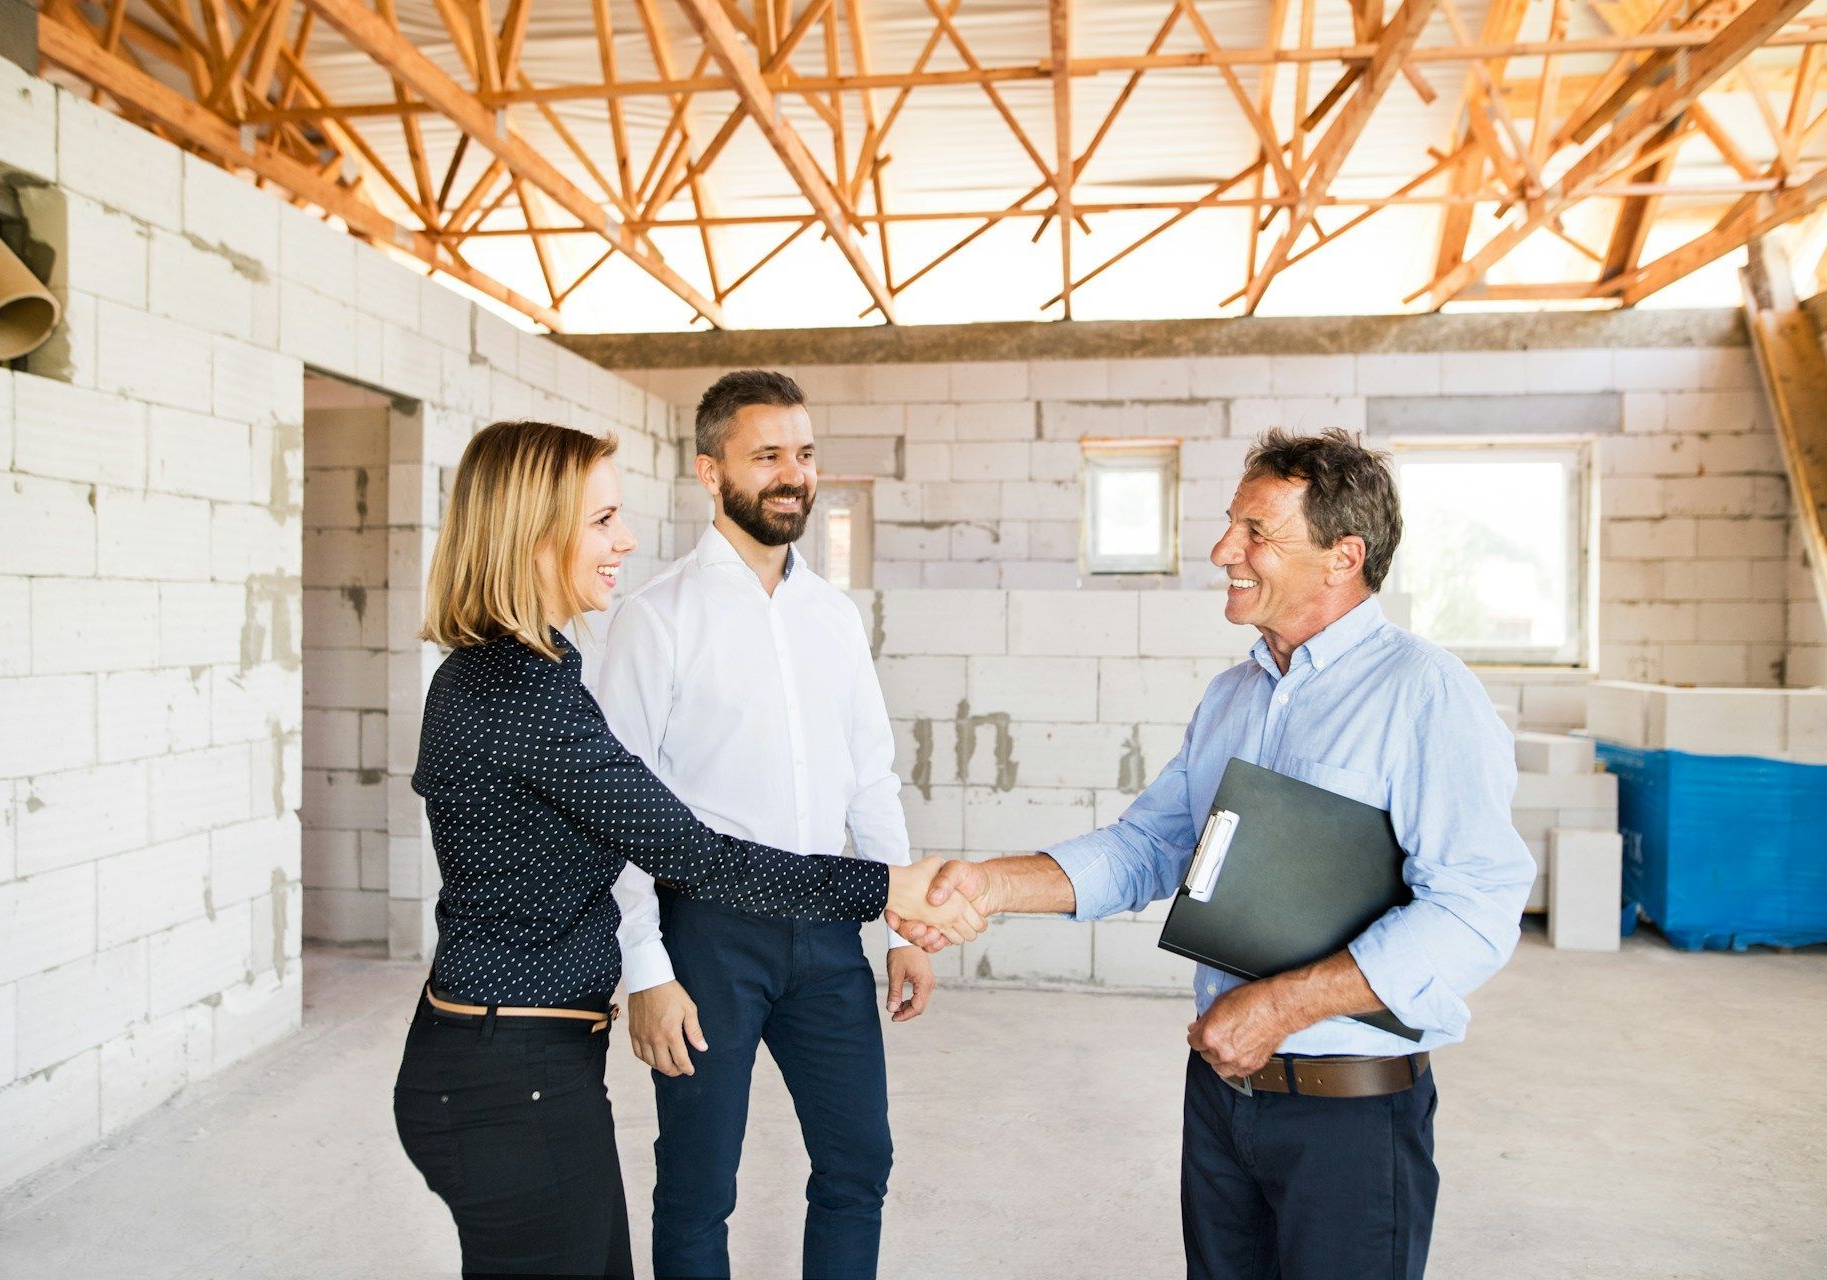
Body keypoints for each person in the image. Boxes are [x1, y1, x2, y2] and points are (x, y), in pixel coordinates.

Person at [894, 428, 1535, 1280]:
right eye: (1231, 524)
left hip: (1348, 1116)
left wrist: (1278, 1008)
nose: (1222, 550)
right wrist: (988, 883)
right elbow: (1150, 847)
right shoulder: (1235, 693)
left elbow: (1476, 906)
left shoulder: (1425, 692)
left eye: (1256, 533)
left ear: (1344, 556)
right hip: (1224, 1098)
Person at [393, 419, 985, 1278]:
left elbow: (858, 778)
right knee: (688, 1194)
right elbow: (696, 853)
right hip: (506, 1075)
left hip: (524, 1061)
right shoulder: (521, 693)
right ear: (533, 532)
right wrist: (887, 887)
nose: (624, 539)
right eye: (602, 520)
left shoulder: (523, 673)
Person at [598, 371, 926, 1280]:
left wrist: (904, 924)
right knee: (700, 1186)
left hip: (829, 935)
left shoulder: (835, 616)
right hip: (708, 943)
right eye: (768, 455)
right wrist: (647, 971)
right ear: (711, 472)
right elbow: (617, 817)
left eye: (806, 454)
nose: (794, 475)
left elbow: (871, 778)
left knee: (860, 1163)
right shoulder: (654, 619)